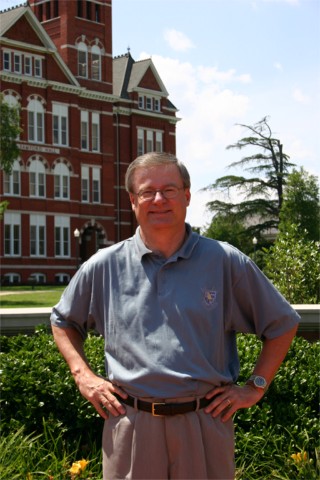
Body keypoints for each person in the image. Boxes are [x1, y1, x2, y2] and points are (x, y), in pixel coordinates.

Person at [51, 151, 299, 480]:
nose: (158, 199)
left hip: (204, 424)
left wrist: (255, 386)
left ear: (186, 195)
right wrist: (83, 376)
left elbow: (282, 324)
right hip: (131, 425)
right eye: (147, 191)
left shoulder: (225, 261)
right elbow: (63, 321)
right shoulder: (104, 265)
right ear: (132, 200)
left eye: (169, 190)